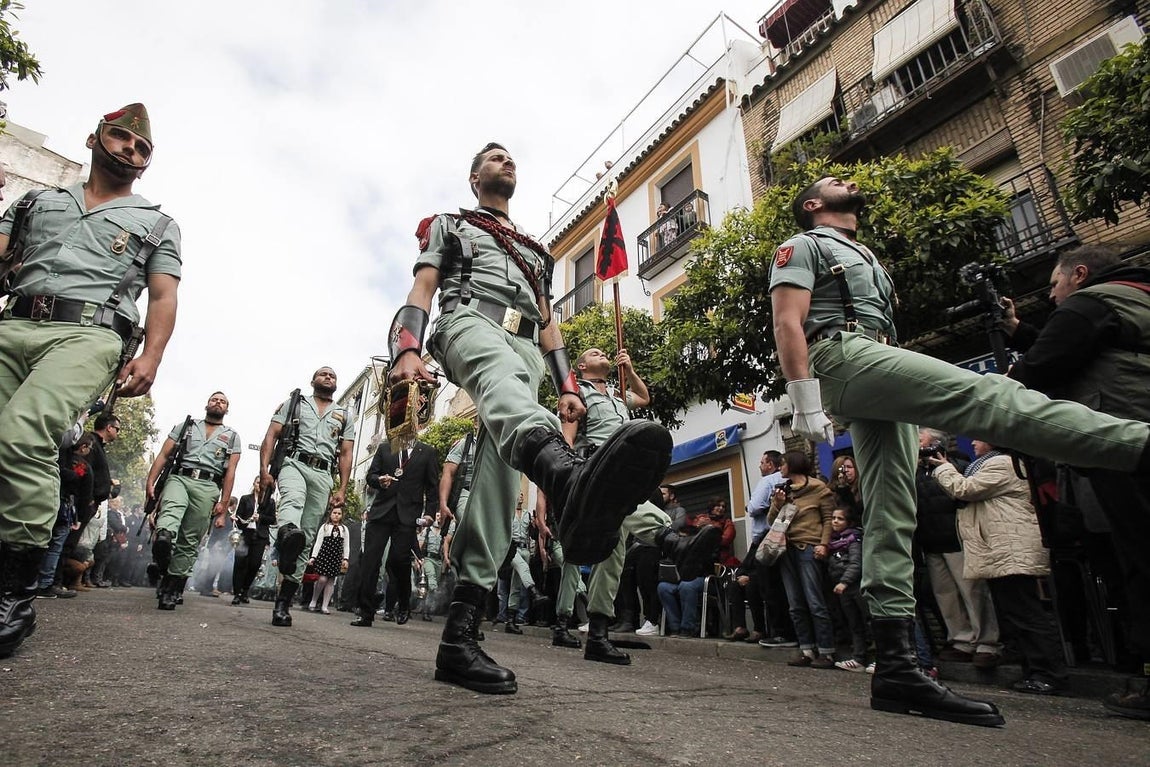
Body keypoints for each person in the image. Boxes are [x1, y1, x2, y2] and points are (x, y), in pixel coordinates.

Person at [769, 175, 1150, 727]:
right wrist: (805, 404)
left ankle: (898, 669)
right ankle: (1138, 446)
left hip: (876, 364)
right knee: (990, 395)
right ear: (813, 204)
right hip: (844, 356)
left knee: (894, 511)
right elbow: (788, 321)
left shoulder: (865, 255)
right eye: (835, 181)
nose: (849, 180)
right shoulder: (803, 245)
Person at [388, 142, 672, 694]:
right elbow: (423, 286)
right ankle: (566, 477)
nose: (506, 161)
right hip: (468, 322)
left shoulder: (536, 254)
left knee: (497, 480)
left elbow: (548, 324)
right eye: (493, 157)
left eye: (511, 156)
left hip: (523, 352)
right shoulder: (451, 225)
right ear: (475, 178)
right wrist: (406, 348)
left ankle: (459, 639)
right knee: (504, 383)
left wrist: (568, 386)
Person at [0, 104, 181, 658]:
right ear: (94, 138)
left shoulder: (157, 223)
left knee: (23, 434)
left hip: (89, 334)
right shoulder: (36, 202)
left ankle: (13, 592)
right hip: (15, 321)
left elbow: (164, 295)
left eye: (141, 147)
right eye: (121, 137)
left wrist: (150, 357)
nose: (130, 148)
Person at [1004, 244, 1150, 720]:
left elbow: (1042, 367)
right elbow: (1077, 346)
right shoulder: (1136, 297)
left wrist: (1009, 381)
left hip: (1124, 443)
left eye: (1054, 284)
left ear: (1079, 275)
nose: (1051, 296)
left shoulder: (1092, 302)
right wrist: (1017, 331)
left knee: (1141, 558)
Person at [929, 440, 1068, 694]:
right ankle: (1032, 669)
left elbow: (964, 489)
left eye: (979, 438)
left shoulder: (1003, 464)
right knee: (1014, 613)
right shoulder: (986, 465)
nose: (972, 442)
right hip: (1000, 549)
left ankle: (1049, 673)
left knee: (1027, 613)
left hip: (1011, 548)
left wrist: (943, 468)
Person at [259, 367, 355, 627]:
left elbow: (346, 453)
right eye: (323, 374)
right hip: (294, 463)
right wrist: (264, 470)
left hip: (324, 474)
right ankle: (288, 532)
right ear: (313, 381)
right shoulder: (295, 404)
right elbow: (272, 434)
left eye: (333, 375)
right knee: (292, 502)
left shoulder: (345, 414)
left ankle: (284, 602)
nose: (328, 377)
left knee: (308, 534)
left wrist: (342, 488)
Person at [146, 392, 241, 610]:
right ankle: (163, 557)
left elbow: (231, 472)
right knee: (166, 528)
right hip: (180, 478)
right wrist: (150, 481)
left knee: (190, 540)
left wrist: (223, 506)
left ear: (227, 409)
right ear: (207, 404)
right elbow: (163, 454)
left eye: (223, 401)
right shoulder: (186, 426)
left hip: (208, 485)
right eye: (214, 399)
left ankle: (172, 587)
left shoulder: (232, 436)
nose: (218, 402)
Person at [916, 428, 999, 668]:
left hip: (957, 536)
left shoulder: (959, 464)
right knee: (946, 594)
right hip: (931, 540)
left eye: (920, 440)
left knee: (973, 591)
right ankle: (961, 639)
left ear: (936, 444)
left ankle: (987, 642)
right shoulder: (917, 471)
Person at [350, 435, 438, 628]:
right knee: (370, 561)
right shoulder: (385, 448)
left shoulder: (428, 452)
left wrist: (430, 513)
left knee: (399, 561)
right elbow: (371, 477)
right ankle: (365, 612)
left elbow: (433, 487)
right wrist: (379, 480)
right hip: (381, 512)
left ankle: (404, 602)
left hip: (407, 515)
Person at [767, 451, 837, 669]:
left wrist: (823, 544)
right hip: (785, 549)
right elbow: (772, 521)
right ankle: (806, 648)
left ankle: (826, 651)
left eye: (784, 463)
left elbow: (828, 519)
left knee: (814, 601)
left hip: (809, 548)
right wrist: (778, 503)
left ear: (794, 465)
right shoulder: (782, 491)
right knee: (795, 603)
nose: (780, 467)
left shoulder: (818, 489)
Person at [828, 506, 869, 671]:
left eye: (840, 518)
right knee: (854, 624)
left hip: (854, 586)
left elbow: (856, 563)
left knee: (868, 621)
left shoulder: (853, 539)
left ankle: (881, 657)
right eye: (833, 518)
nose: (835, 521)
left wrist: (844, 581)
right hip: (842, 589)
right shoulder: (833, 541)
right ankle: (859, 658)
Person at [230, 477, 275, 606]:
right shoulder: (245, 499)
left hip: (260, 536)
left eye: (262, 483)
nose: (260, 485)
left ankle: (245, 590)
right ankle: (237, 593)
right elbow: (239, 516)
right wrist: (235, 518)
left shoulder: (270, 502)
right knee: (240, 563)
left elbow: (272, 519)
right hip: (246, 535)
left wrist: (260, 517)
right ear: (254, 484)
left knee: (254, 565)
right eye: (257, 482)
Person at [307, 506, 350, 615]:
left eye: (339, 513)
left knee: (331, 581)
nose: (336, 515)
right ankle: (314, 599)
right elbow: (318, 543)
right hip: (324, 556)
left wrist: (345, 558)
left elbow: (346, 545)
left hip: (335, 558)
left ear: (341, 516)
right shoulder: (325, 527)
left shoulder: (344, 529)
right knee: (321, 579)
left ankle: (325, 605)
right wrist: (313, 557)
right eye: (334, 513)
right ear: (330, 514)